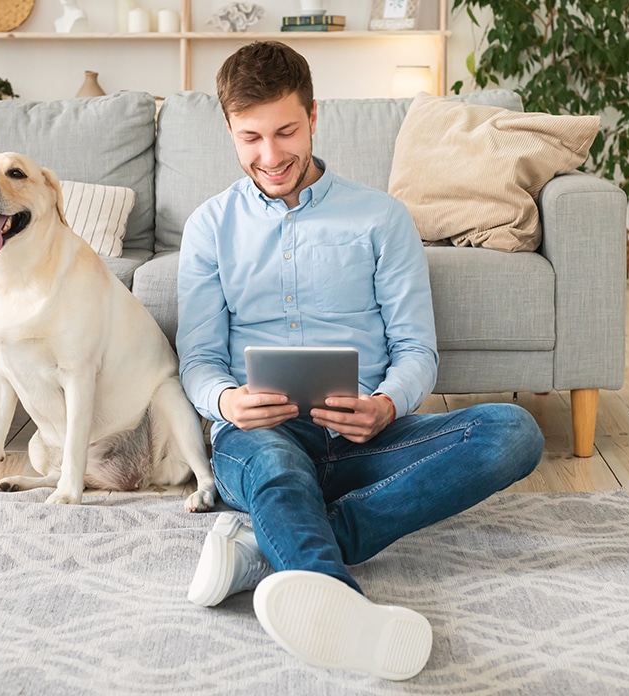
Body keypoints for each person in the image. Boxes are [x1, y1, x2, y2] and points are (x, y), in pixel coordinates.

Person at [176, 41, 545, 681]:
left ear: (315, 116)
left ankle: (273, 544)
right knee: (274, 464)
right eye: (250, 139)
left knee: (514, 432)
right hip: (258, 436)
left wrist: (385, 406)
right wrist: (227, 401)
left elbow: (416, 351)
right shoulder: (210, 227)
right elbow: (199, 362)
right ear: (230, 133)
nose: (270, 157)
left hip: (364, 437)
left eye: (286, 132)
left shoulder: (381, 217)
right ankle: (339, 602)